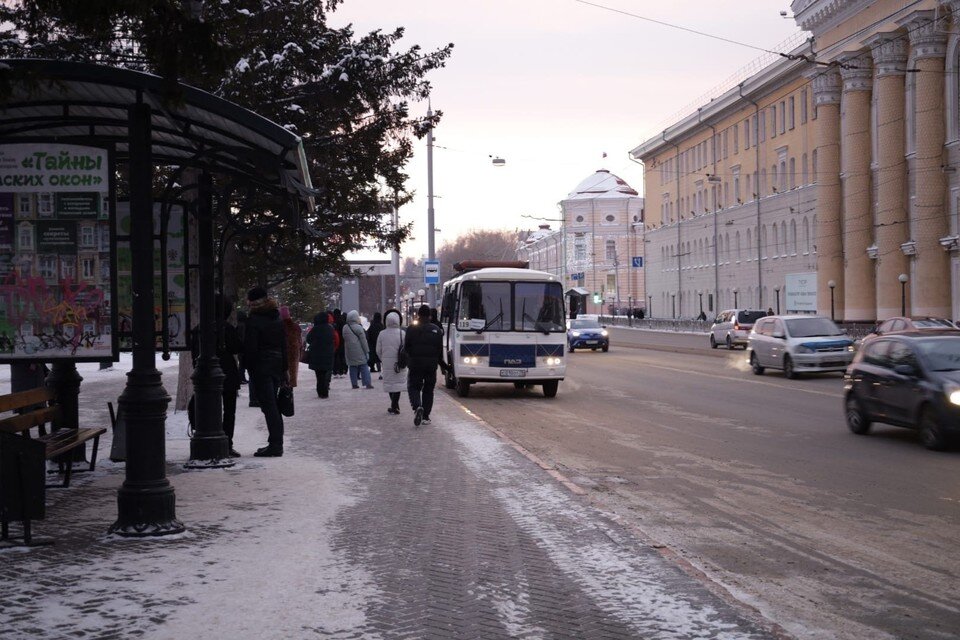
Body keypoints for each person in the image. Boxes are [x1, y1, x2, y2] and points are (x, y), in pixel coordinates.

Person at [244, 286, 287, 457]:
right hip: (276, 365)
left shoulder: (254, 320)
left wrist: (247, 366)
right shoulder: (275, 317)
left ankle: (276, 445)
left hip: (261, 367)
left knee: (269, 406)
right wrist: (284, 368)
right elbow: (283, 345)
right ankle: (276, 442)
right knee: (274, 406)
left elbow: (251, 348)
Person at [404, 304, 448, 426]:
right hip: (431, 366)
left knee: (413, 386)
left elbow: (406, 346)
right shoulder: (436, 330)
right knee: (428, 390)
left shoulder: (411, 329)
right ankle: (426, 416)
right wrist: (441, 364)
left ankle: (417, 406)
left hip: (415, 364)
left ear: (418, 315)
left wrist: (411, 358)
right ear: (429, 316)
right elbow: (439, 349)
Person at [376, 309, 406, 415]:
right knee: (398, 384)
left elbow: (378, 350)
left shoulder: (382, 334)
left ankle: (394, 405)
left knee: (390, 384)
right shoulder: (402, 333)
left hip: (387, 363)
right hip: (399, 363)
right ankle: (395, 405)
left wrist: (383, 359)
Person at [342, 309, 374, 389]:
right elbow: (363, 341)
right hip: (359, 351)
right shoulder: (359, 328)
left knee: (352, 367)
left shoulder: (345, 328)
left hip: (349, 351)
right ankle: (367, 383)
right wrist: (367, 351)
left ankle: (354, 384)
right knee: (363, 366)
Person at [306, 311, 335, 398]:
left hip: (316, 355)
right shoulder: (330, 328)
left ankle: (321, 391)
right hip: (328, 355)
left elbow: (308, 339)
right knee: (325, 374)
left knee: (319, 375)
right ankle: (325, 391)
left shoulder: (315, 329)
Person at [279, 305, 302, 388]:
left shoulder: (279, 326)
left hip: (282, 351)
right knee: (293, 370)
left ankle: (283, 384)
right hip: (294, 351)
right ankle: (291, 384)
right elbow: (300, 341)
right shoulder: (295, 326)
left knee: (283, 370)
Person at [333, 309, 347, 377]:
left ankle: (335, 371)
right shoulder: (342, 321)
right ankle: (342, 370)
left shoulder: (333, 321)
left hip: (334, 341)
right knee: (342, 356)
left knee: (335, 356)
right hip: (342, 340)